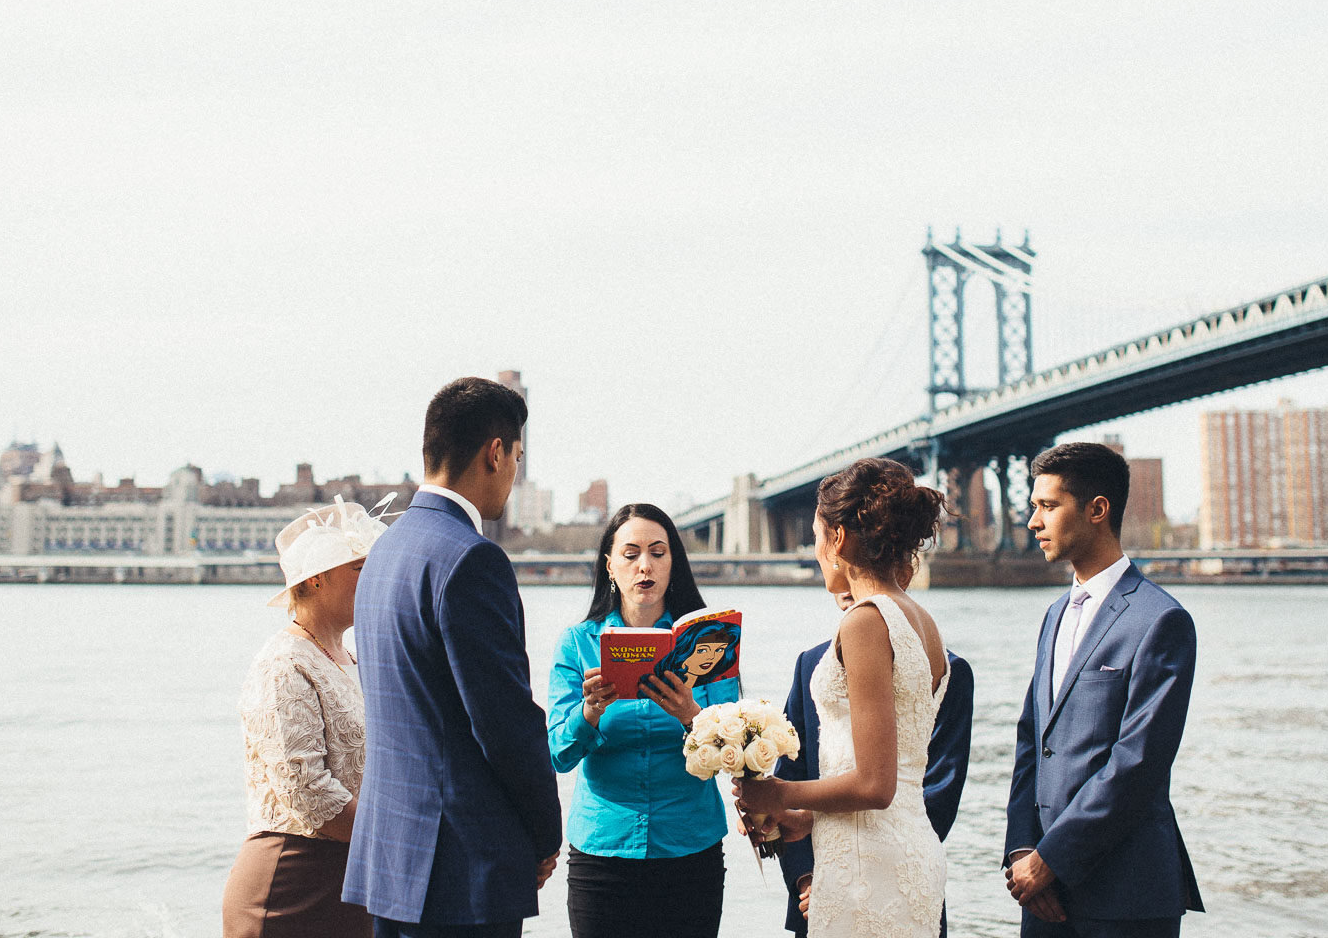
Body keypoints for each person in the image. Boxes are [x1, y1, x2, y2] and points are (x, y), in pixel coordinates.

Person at [342, 377, 563, 938]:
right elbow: (502, 721)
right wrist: (542, 833)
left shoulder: (382, 553)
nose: (513, 472)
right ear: (496, 452)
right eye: (516, 455)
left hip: (391, 859)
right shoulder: (472, 560)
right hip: (461, 869)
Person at [734, 457, 950, 938]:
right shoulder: (922, 622)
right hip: (907, 852)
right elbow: (898, 776)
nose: (815, 551)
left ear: (839, 539)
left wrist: (778, 792)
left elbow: (876, 784)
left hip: (865, 870)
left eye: (816, 536)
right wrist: (806, 818)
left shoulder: (865, 621)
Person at [1003, 442, 1204, 937]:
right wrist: (1022, 852)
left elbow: (1137, 762)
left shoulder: (1160, 620)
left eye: (1048, 506)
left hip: (1125, 897)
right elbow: (1032, 740)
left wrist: (1052, 858)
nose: (1033, 522)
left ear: (1097, 510)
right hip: (1043, 896)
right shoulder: (1053, 615)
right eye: (1034, 507)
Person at [548, 504, 737, 938]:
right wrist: (589, 713)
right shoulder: (578, 644)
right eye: (630, 554)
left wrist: (691, 716)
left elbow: (735, 757)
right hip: (603, 851)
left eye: (658, 552)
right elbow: (558, 754)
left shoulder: (710, 642)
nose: (645, 566)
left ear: (674, 564)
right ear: (609, 566)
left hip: (691, 847)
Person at [223, 497, 387, 938]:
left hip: (352, 877)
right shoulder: (283, 664)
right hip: (292, 884)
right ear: (315, 580)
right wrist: (396, 841)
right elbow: (307, 792)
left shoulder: (351, 658)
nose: (373, 577)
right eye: (358, 568)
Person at [775, 586, 973, 938]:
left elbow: (937, 796)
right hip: (819, 887)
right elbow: (790, 770)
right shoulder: (810, 664)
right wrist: (807, 876)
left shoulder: (946, 670)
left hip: (895, 879)